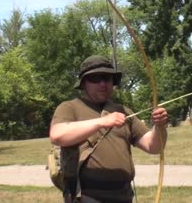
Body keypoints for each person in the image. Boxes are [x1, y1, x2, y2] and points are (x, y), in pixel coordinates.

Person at [49, 55, 168, 203]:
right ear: (84, 82)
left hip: (123, 195)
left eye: (107, 78)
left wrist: (160, 126)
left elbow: (153, 146)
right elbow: (57, 135)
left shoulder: (123, 111)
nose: (103, 83)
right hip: (86, 196)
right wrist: (102, 122)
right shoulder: (69, 107)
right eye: (95, 78)